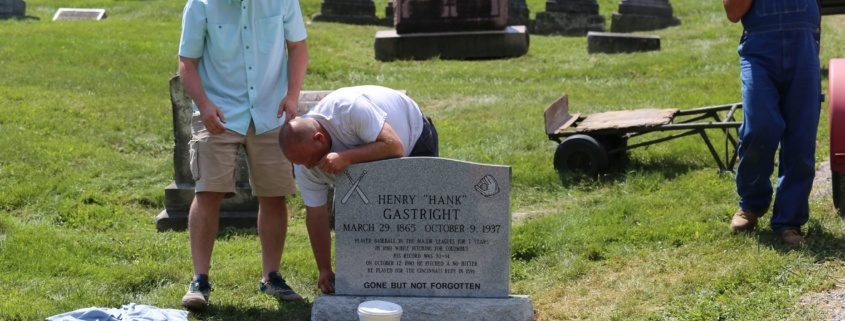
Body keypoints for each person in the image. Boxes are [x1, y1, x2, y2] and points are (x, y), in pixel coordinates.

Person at [177, 0, 308, 311]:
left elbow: (298, 47)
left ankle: (271, 277)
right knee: (208, 191)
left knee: (274, 194)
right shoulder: (201, 5)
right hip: (218, 111)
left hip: (270, 109)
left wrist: (292, 95)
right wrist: (204, 106)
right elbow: (186, 62)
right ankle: (200, 279)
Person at [278, 85, 439, 294]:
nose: (309, 167)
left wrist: (346, 157)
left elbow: (394, 146)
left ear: (319, 138)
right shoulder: (304, 164)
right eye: (301, 163)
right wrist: (324, 268)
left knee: (415, 218)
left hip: (413, 137)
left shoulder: (350, 109)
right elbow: (316, 216)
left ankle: (421, 281)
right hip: (372, 163)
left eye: (310, 160)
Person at [723, 0, 822, 246]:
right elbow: (733, 13)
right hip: (760, 51)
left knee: (801, 137)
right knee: (759, 127)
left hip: (803, 47)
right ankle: (752, 204)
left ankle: (790, 221)